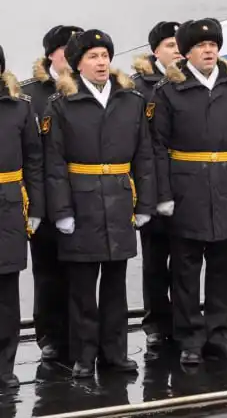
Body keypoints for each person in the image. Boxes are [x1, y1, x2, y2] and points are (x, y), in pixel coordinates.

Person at [45, 29, 155, 378]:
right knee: (81, 288)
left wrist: (145, 204)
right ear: (78, 64)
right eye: (93, 56)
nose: (102, 62)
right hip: (82, 202)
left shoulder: (131, 100)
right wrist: (61, 211)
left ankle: (115, 352)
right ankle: (83, 354)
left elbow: (145, 157)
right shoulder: (61, 105)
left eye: (105, 55)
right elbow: (54, 163)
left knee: (115, 286)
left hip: (120, 200)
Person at [150, 18, 227, 365]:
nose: (209, 50)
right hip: (187, 186)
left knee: (221, 265)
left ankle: (219, 334)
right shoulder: (168, 91)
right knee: (185, 267)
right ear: (186, 52)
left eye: (213, 44)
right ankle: (190, 337)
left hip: (226, 182)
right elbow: (157, 146)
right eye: (200, 46)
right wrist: (163, 194)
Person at [23, 23, 80, 363]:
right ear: (51, 55)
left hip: (84, 193)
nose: (72, 57)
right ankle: (50, 334)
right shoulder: (32, 95)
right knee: (48, 271)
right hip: (43, 194)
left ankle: (83, 331)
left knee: (82, 270)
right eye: (67, 51)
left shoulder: (89, 89)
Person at [131, 20, 182, 353]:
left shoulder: (189, 82)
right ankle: (155, 322)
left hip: (185, 183)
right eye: (169, 46)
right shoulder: (138, 88)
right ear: (154, 52)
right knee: (154, 260)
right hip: (151, 184)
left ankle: (183, 319)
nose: (176, 51)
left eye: (180, 45)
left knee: (185, 259)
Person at [0, 45, 43, 388]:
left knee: (5, 289)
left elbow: (33, 160)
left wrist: (37, 209)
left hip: (8, 203)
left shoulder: (18, 109)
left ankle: (3, 365)